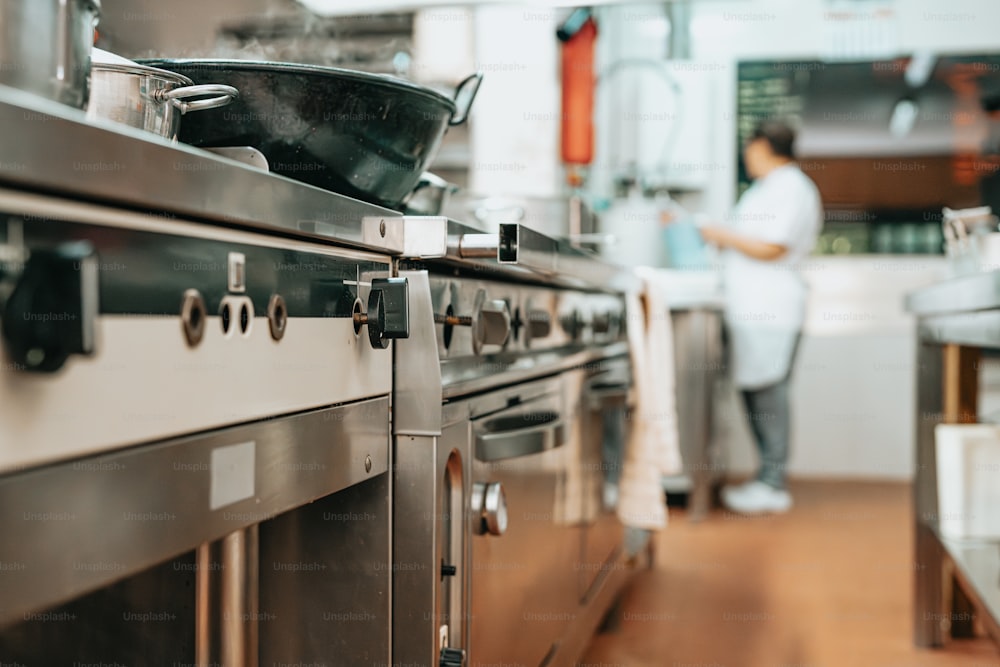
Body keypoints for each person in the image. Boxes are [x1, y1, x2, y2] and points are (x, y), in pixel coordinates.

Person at [698, 120, 823, 514]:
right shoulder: (766, 188)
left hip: (772, 308)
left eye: (750, 148)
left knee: (769, 393)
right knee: (755, 392)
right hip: (752, 307)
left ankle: (772, 483)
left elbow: (773, 246)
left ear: (766, 147)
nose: (745, 157)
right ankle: (767, 478)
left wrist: (719, 234)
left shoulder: (791, 187)